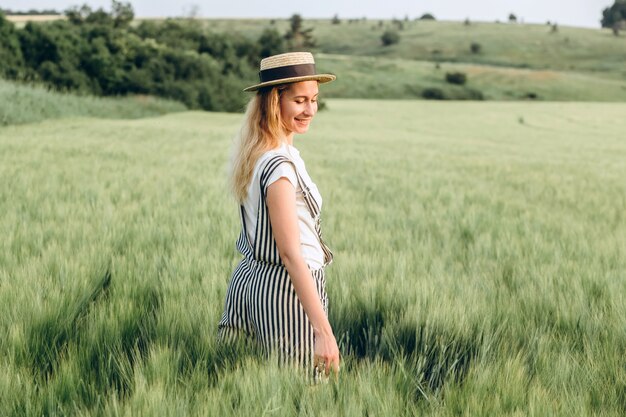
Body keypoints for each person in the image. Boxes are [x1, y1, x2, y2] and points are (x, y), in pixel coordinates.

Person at [217, 52, 340, 381]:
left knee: (238, 386)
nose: (310, 110)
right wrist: (323, 332)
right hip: (285, 292)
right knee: (303, 392)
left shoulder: (256, 152)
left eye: (314, 99)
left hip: (248, 281)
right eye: (300, 100)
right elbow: (290, 254)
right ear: (275, 101)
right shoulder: (280, 168)